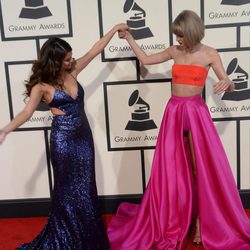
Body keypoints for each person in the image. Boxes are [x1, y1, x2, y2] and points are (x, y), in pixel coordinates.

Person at [107, 10, 250, 250]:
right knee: (171, 170)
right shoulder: (175, 51)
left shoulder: (210, 54)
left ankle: (198, 223)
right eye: (177, 36)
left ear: (192, 32)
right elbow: (146, 60)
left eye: (181, 35)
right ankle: (174, 220)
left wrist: (229, 83)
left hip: (196, 115)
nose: (178, 40)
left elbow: (229, 82)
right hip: (174, 113)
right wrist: (130, 39)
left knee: (199, 170)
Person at [0, 23, 128, 250]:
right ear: (55, 60)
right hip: (63, 143)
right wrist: (5, 129)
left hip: (83, 139)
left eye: (71, 58)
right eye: (67, 59)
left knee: (86, 190)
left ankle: (87, 238)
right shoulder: (42, 86)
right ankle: (66, 238)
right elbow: (27, 113)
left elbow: (95, 49)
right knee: (66, 192)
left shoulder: (73, 71)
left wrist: (114, 28)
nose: (71, 61)